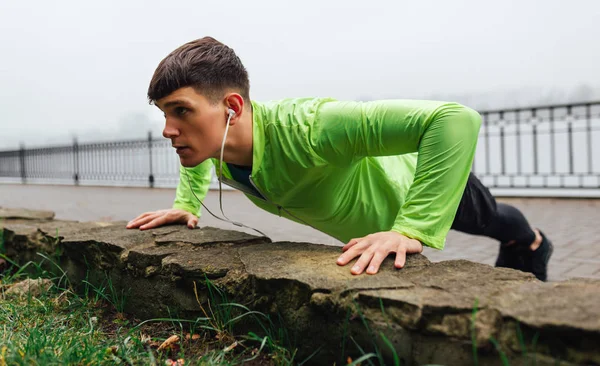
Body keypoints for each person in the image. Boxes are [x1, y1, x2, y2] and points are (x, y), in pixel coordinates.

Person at [126, 37, 553, 281]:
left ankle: (532, 242)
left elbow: (454, 120)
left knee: (490, 218)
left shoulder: (313, 127)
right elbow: (200, 158)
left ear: (232, 108)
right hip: (372, 224)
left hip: (414, 189)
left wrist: (412, 227)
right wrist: (185, 205)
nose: (168, 130)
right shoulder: (218, 144)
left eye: (181, 111)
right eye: (164, 114)